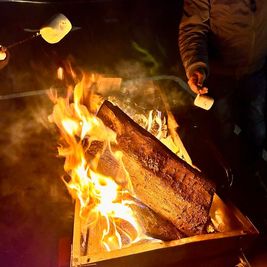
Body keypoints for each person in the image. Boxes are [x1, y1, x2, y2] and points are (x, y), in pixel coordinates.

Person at [179, 0, 267, 180]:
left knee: (256, 128)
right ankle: (224, 180)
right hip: (219, 75)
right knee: (221, 129)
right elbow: (193, 28)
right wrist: (196, 66)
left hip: (256, 70)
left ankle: (250, 176)